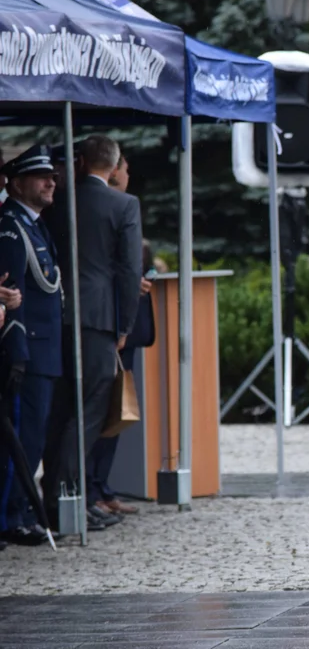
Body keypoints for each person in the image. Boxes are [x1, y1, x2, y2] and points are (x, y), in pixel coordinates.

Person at [42, 135, 143, 533]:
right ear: (114, 166)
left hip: (57, 314)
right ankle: (70, 501)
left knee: (60, 412)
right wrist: (124, 326)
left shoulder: (58, 199)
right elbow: (129, 271)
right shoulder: (124, 204)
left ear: (81, 162)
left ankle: (58, 497)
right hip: (98, 319)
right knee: (87, 415)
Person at [0, 145, 63, 547]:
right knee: (24, 438)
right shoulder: (10, 226)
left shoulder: (36, 223)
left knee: (36, 437)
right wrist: (16, 349)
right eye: (41, 177)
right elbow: (11, 289)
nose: (51, 181)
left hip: (46, 348)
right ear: (18, 183)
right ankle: (12, 516)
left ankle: (22, 510)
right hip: (29, 349)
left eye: (52, 176)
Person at [86, 156, 154, 517]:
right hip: (108, 324)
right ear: (114, 171)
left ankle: (101, 486)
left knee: (114, 408)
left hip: (116, 321)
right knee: (101, 409)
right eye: (126, 168)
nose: (128, 175)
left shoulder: (122, 207)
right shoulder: (115, 207)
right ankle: (92, 488)